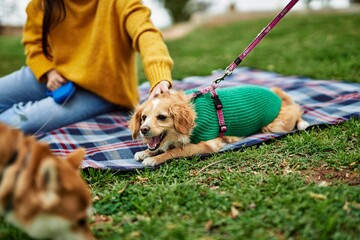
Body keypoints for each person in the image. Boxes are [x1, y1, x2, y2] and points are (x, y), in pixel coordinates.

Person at [0, 0, 173, 134]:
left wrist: (159, 76)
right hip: (54, 72)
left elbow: (146, 33)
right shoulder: (42, 4)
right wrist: (48, 71)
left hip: (103, 90)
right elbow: (33, 44)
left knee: (18, 122)